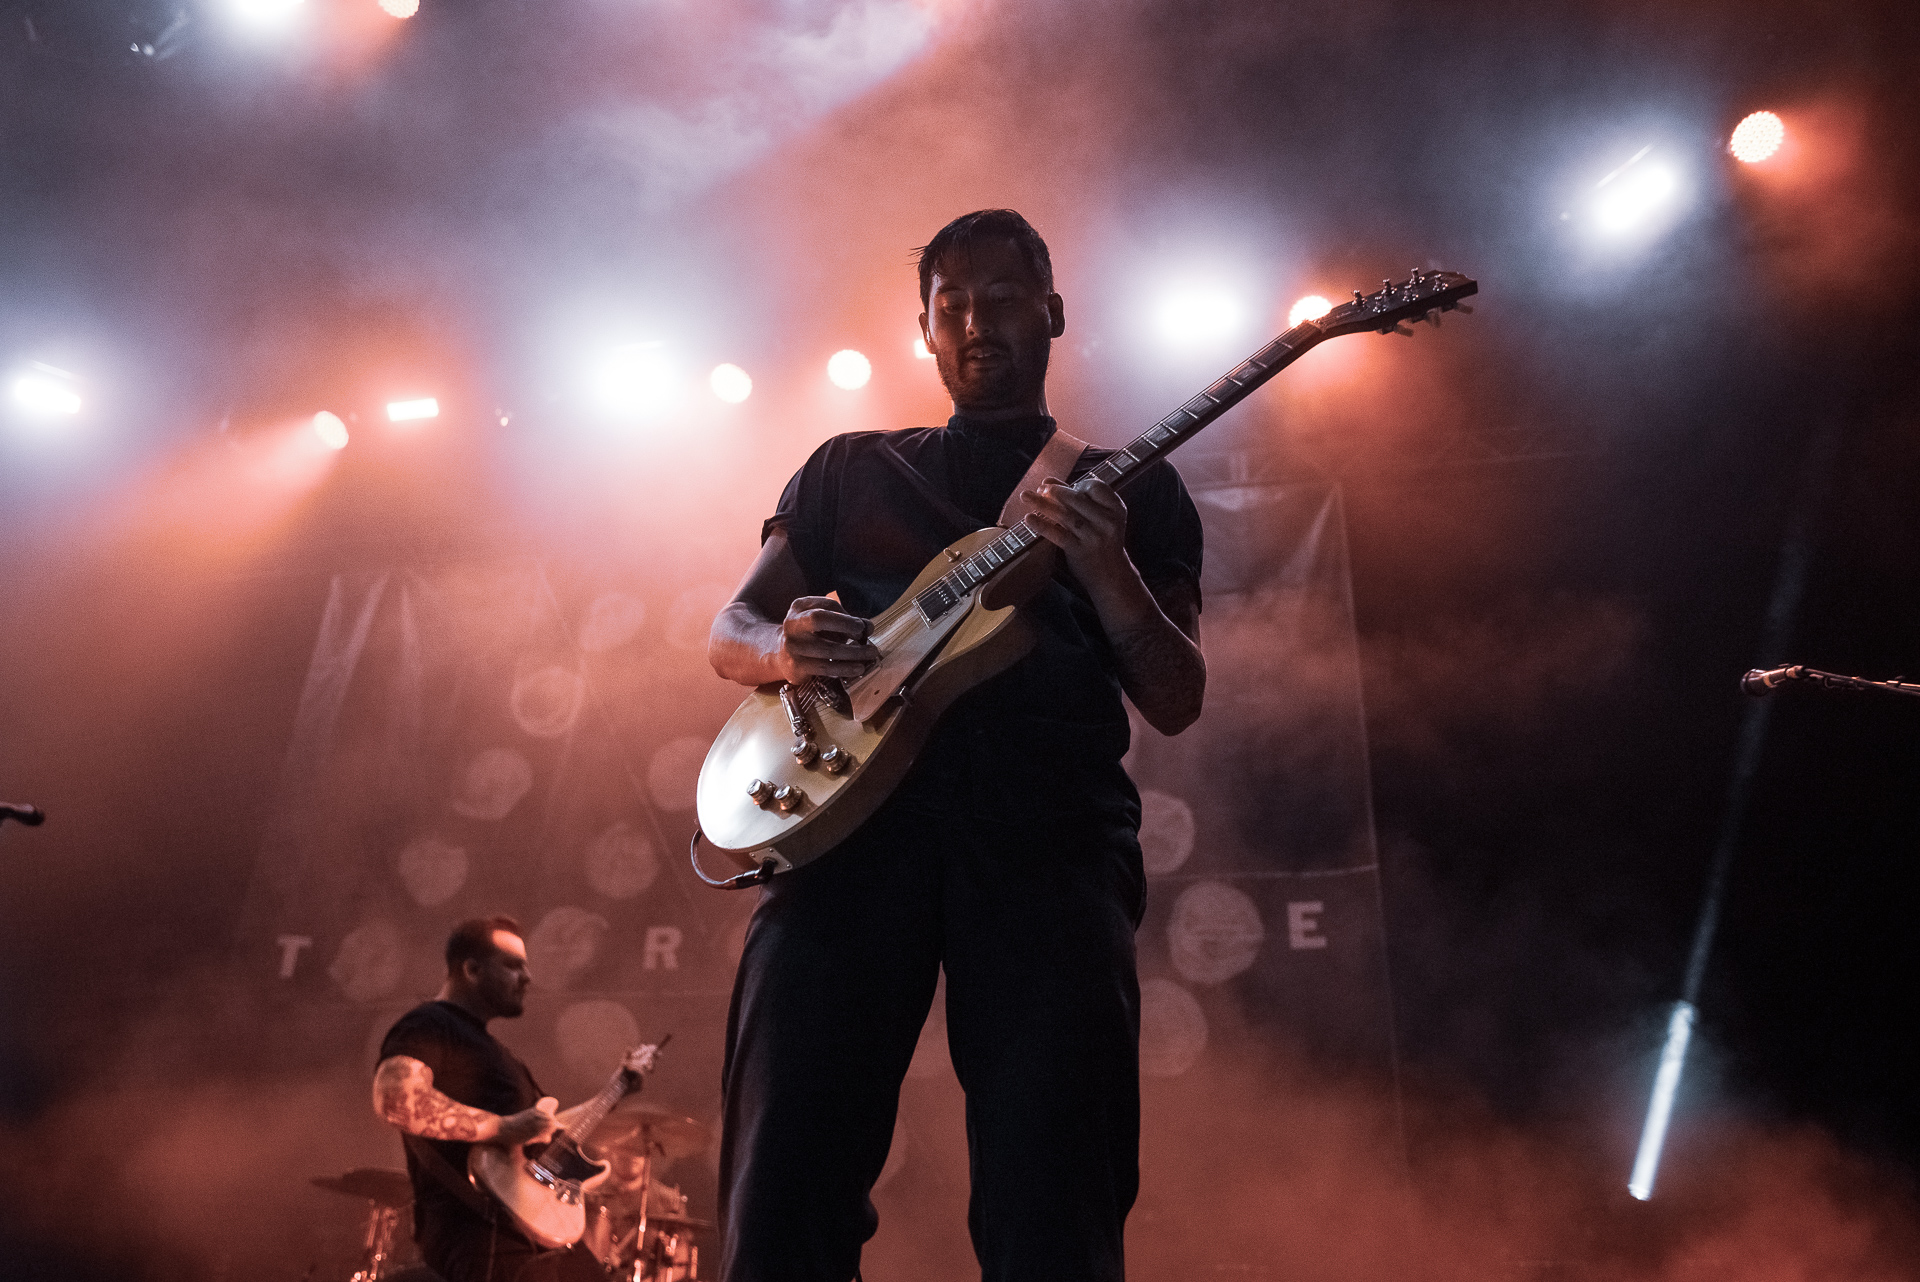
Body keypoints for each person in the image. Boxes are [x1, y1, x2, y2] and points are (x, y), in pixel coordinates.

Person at [707, 208, 1206, 1282]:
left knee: (1054, 1207)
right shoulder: (850, 467)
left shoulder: (1133, 486)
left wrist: (1110, 571)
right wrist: (782, 649)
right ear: (925, 330)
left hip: (1048, 843)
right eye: (954, 305)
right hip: (847, 837)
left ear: (1053, 314)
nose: (978, 323)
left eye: (1004, 299)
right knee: (781, 1189)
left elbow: (1175, 697)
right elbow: (730, 630)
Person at [372, 916, 658, 1282]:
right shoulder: (430, 1024)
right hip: (483, 1238)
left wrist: (617, 1088)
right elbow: (396, 1100)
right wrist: (503, 1126)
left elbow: (545, 1131)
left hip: (537, 1239)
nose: (527, 977)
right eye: (512, 965)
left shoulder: (498, 1052)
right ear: (472, 970)